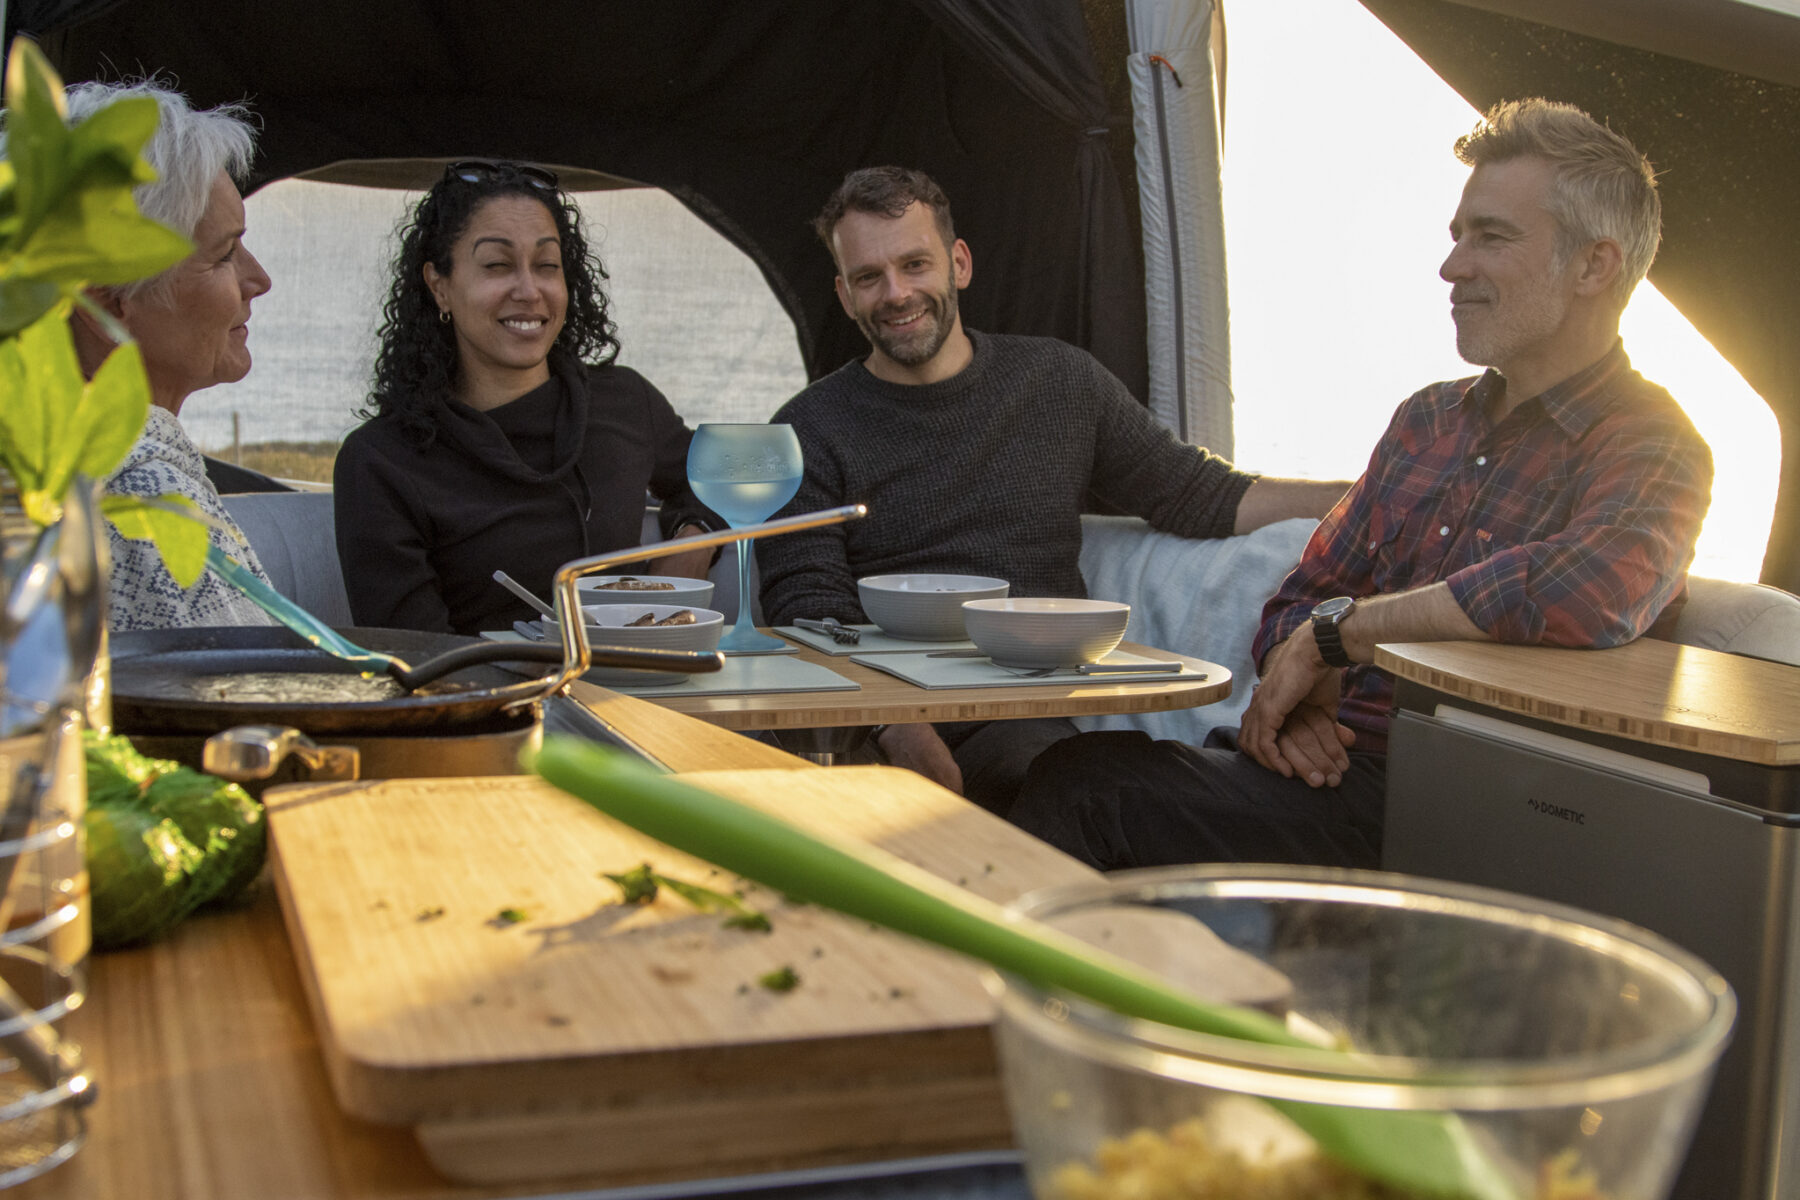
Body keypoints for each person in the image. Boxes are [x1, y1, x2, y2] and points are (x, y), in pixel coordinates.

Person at [1008, 98, 1715, 869]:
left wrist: (1339, 639)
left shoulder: (1656, 445)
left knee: (1091, 792)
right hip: (1328, 773)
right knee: (1065, 771)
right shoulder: (1426, 420)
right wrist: (1303, 691)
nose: (1452, 267)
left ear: (1594, 265)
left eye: (1491, 237)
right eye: (1457, 236)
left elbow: (1587, 588)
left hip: (1477, 816)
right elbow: (1302, 599)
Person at [758, 166, 1348, 813]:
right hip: (869, 716)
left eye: (915, 264)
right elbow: (806, 603)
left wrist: (1373, 494)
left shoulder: (1059, 382)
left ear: (959, 264)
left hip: (1023, 715)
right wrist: (897, 726)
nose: (897, 293)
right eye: (870, 277)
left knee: (1115, 791)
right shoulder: (806, 428)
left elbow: (1204, 494)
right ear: (845, 296)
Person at [334, 161, 716, 635]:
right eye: (497, 265)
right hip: (487, 683)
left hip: (645, 675)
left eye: (547, 266)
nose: (529, 290)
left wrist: (692, 542)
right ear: (439, 286)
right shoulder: (381, 460)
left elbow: (726, 475)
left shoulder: (625, 401)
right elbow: (414, 652)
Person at [15, 81, 281, 632]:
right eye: (225, 255)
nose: (258, 279)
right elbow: (250, 678)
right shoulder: (140, 498)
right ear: (108, 304)